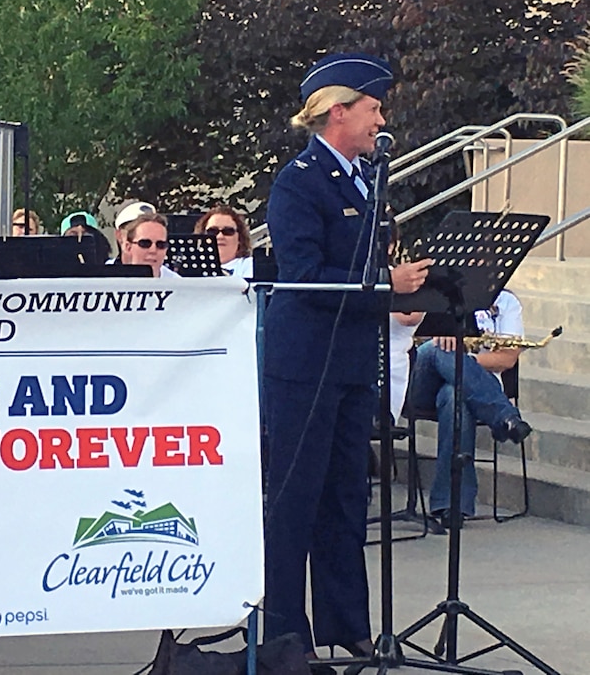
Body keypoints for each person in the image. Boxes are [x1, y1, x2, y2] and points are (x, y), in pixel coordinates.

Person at [261, 52, 433, 668]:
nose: (380, 120)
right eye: (373, 108)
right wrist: (386, 279)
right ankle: (284, 634)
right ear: (339, 112)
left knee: (344, 499)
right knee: (294, 501)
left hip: (352, 365)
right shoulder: (300, 180)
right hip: (305, 365)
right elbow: (304, 274)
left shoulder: (365, 178)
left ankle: (346, 623)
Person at [409, 290, 531, 528]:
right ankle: (504, 415)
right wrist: (445, 346)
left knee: (454, 395)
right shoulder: (438, 290)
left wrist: (462, 361)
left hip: (472, 388)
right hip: (423, 378)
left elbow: (507, 359)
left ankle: (452, 506)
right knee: (436, 349)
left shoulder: (506, 302)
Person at [193, 204, 253, 278]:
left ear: (240, 238)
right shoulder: (187, 267)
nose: (220, 236)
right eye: (212, 231)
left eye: (228, 231)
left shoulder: (250, 266)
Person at [123, 213, 179, 278]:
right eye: (145, 243)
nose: (153, 250)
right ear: (128, 247)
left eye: (161, 245)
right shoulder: (112, 283)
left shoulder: (179, 285)